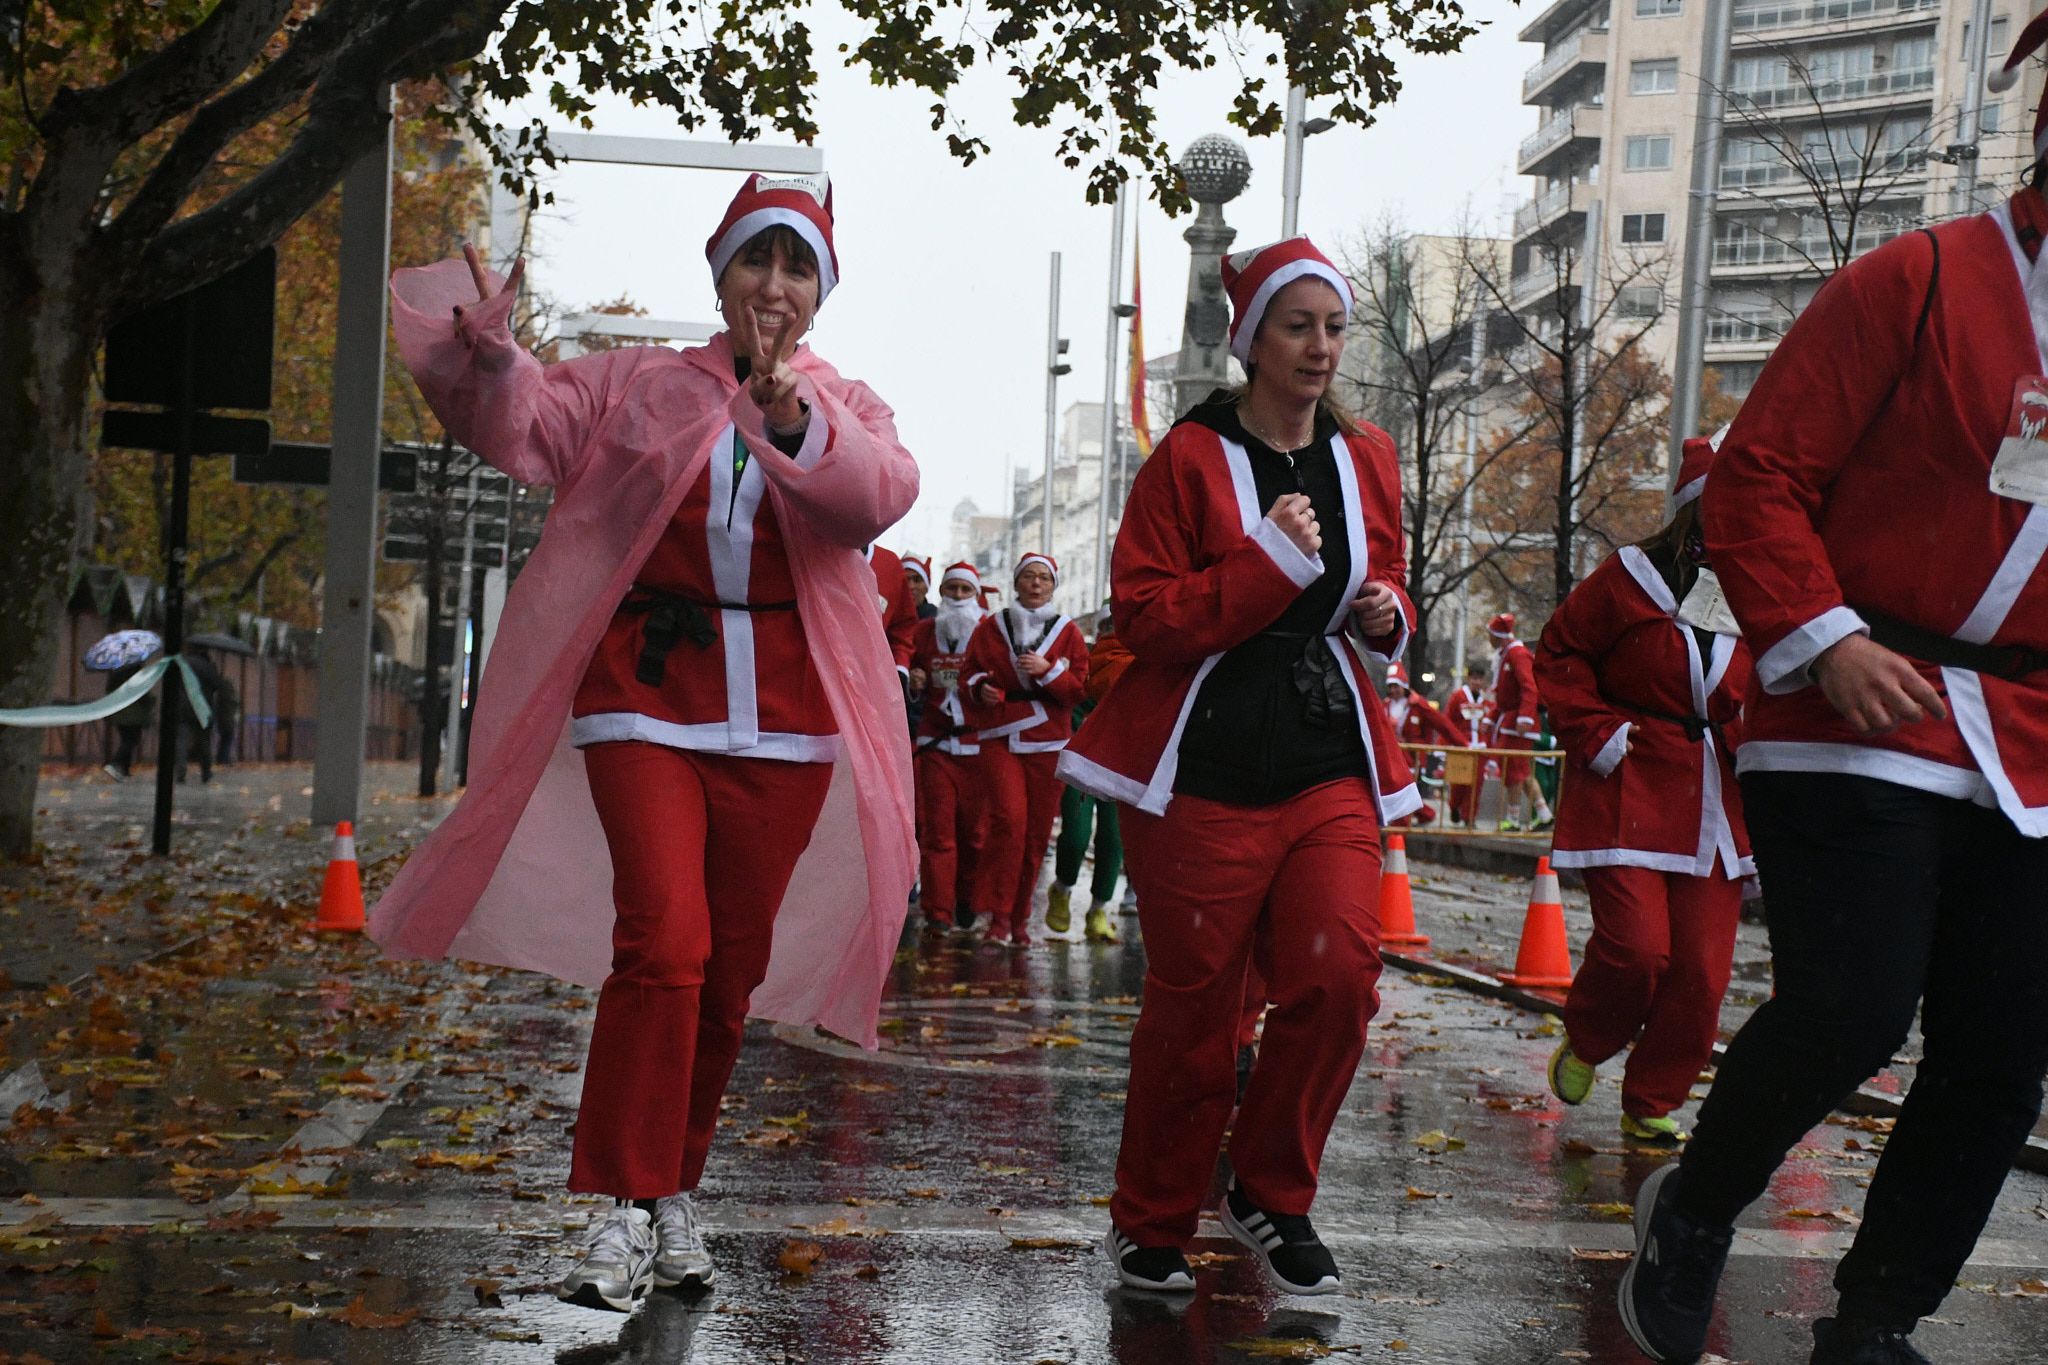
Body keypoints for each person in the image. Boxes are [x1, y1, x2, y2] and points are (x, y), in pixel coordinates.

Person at [367, 172, 918, 1315]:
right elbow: (521, 421)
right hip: (646, 697)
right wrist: (492, 356)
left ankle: (672, 1188)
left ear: (820, 293)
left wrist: (786, 419)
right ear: (718, 275)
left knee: (727, 976)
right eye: (756, 259)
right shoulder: (637, 385)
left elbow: (873, 499)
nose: (775, 284)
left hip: (783, 719)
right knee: (662, 941)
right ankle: (624, 1202)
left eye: (797, 266)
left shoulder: (847, 403)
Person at [1619, 27, 2048, 1361]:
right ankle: (1695, 1208)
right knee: (1857, 1006)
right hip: (1859, 711)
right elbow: (1757, 481)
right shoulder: (1918, 277)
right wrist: (1823, 633)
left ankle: (1876, 1318)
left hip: (2028, 742)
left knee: (2002, 1045)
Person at [1059, 237, 1419, 1297]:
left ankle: (1270, 1189)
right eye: (1296, 326)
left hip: (1324, 757)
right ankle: (1152, 1217)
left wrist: (1387, 611)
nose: (1319, 347)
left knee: (1340, 972)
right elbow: (1145, 617)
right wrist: (1264, 566)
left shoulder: (1367, 458)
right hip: (1202, 765)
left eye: (1332, 327)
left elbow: (1389, 574)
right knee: (1198, 1008)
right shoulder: (1186, 458)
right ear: (1250, 339)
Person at [1535, 434, 1753, 1149]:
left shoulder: (1766, 587)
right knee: (1637, 951)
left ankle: (1653, 1097)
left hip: (1714, 801)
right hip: (1627, 782)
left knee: (1701, 972)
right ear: (1696, 505)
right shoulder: (1630, 579)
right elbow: (1560, 651)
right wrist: (1596, 731)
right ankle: (1589, 1038)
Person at [963, 554, 1090, 945]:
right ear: (1016, 584)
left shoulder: (1068, 632)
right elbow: (968, 672)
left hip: (1048, 738)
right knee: (1009, 821)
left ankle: (1020, 920)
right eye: (1029, 578)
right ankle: (998, 916)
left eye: (1044, 579)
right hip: (1000, 732)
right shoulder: (991, 627)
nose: (1036, 584)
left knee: (1036, 834)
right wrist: (979, 685)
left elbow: (1078, 691)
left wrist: (1048, 671)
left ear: (1054, 587)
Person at [907, 562, 990, 934]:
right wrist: (915, 677)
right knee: (938, 833)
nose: (957, 597)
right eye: (950, 589)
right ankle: (937, 911)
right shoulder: (925, 631)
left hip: (979, 744)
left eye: (964, 591)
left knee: (975, 836)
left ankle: (967, 899)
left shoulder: (991, 630)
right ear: (940, 593)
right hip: (936, 743)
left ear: (975, 595)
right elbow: (902, 661)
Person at [1047, 605, 1133, 942]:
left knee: (1113, 840)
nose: (1118, 630)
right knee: (1076, 834)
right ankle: (1063, 888)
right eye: (1111, 624)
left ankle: (1099, 909)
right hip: (1082, 766)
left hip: (1121, 767)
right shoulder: (1088, 661)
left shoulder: (1147, 663)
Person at [1487, 613, 1552, 832]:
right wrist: (1493, 717)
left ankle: (1513, 819)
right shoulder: (1510, 654)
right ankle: (1543, 814)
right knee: (1520, 771)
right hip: (1513, 721)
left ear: (1498, 635)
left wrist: (1524, 717)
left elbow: (1528, 687)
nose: (1488, 638)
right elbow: (1506, 696)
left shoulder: (1516, 655)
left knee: (1514, 772)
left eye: (1490, 634)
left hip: (1518, 724)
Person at [1381, 661, 1460, 825]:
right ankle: (1421, 816)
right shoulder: (1385, 706)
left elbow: (1442, 725)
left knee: (1404, 793)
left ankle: (1402, 828)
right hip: (1389, 758)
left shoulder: (1418, 705)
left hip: (1412, 759)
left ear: (1404, 685)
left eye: (1397, 686)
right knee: (1397, 793)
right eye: (1391, 686)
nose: (1393, 690)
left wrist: (1463, 744)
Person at [1444, 663, 1488, 825]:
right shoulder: (1458, 697)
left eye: (1480, 679)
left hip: (1480, 748)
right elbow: (1448, 721)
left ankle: (1469, 818)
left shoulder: (1487, 700)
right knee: (1458, 782)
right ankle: (1454, 806)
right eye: (1474, 679)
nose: (1477, 682)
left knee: (1476, 785)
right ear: (1469, 678)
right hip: (1462, 746)